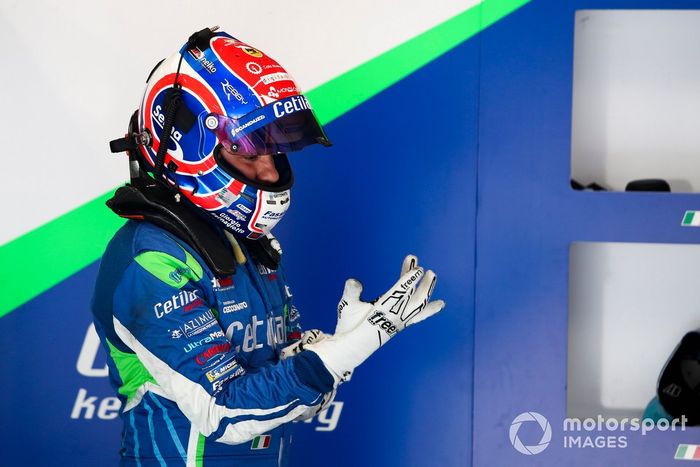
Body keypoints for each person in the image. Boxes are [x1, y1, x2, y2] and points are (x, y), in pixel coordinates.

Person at [92, 27, 444, 466]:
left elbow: (296, 399)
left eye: (274, 151)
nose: (272, 172)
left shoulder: (251, 247)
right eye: (248, 152)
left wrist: (340, 345)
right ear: (188, 150)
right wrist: (349, 350)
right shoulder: (151, 259)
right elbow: (225, 413)